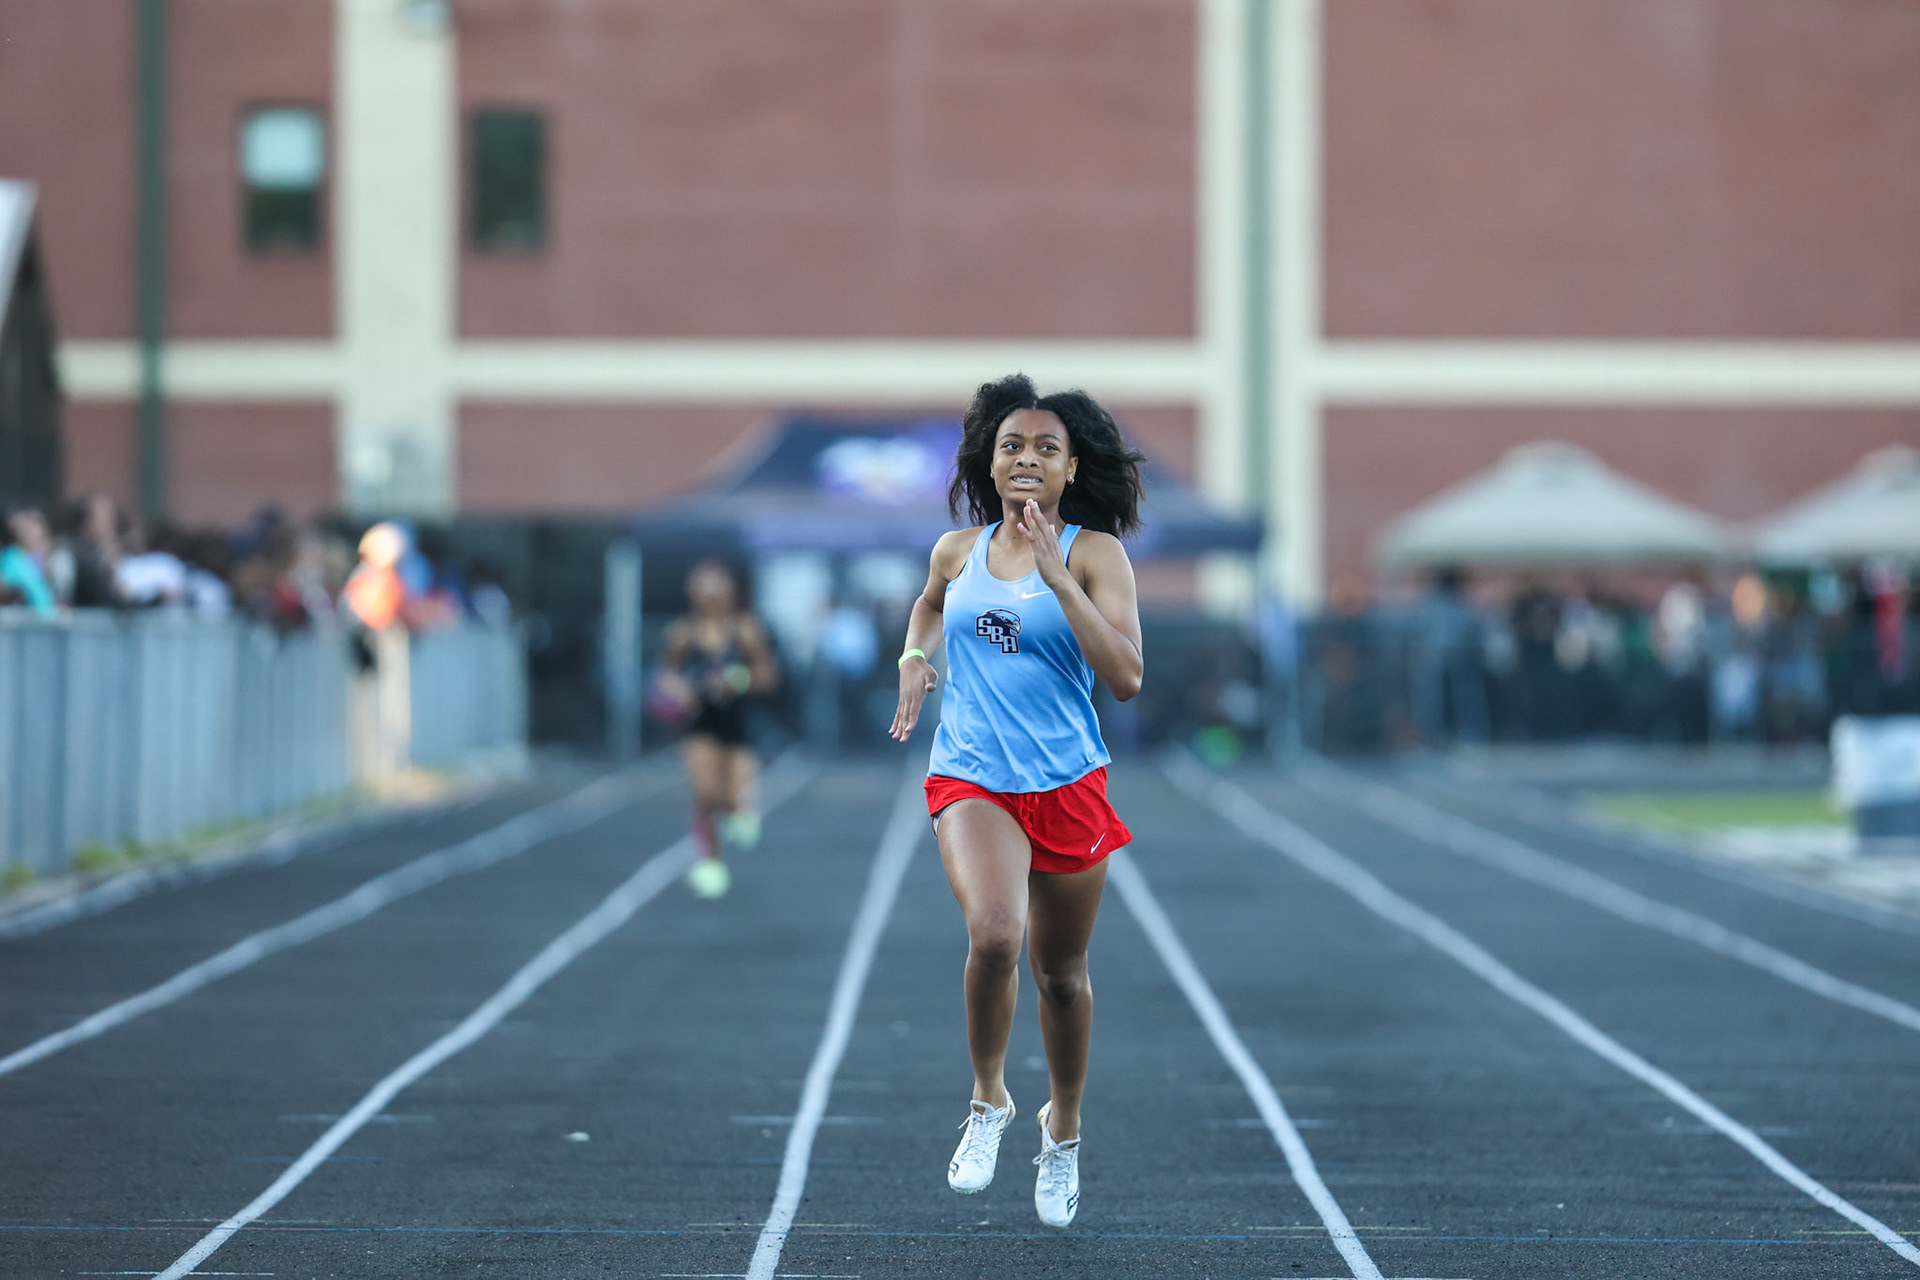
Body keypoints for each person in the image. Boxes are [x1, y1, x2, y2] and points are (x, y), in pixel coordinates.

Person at [889, 374, 1145, 1229]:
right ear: (989, 463)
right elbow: (929, 607)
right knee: (996, 934)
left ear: (1070, 468)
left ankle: (1061, 1129)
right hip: (973, 776)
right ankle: (988, 1100)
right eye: (1011, 446)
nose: (1026, 458)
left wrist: (1058, 578)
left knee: (1061, 978)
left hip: (1067, 783)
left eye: (1045, 447)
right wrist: (914, 659)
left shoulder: (1095, 555)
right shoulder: (955, 551)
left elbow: (1127, 677)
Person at [657, 560, 778, 899]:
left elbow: (768, 676)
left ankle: (740, 813)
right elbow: (665, 675)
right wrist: (677, 690)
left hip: (737, 725)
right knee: (706, 795)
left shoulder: (745, 630)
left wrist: (735, 679)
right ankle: (710, 861)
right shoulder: (682, 633)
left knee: (735, 800)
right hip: (700, 725)